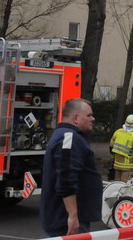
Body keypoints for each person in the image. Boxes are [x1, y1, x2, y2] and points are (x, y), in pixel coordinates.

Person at [40, 98, 102, 237]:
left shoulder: (67, 136)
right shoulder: (69, 138)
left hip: (65, 217)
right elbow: (66, 180)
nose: (93, 118)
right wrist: (73, 216)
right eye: (89, 115)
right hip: (65, 220)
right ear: (75, 118)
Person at [109, 113, 133, 181]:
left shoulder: (118, 132)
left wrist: (113, 160)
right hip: (129, 167)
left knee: (117, 187)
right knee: (126, 188)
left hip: (117, 165)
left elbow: (111, 148)